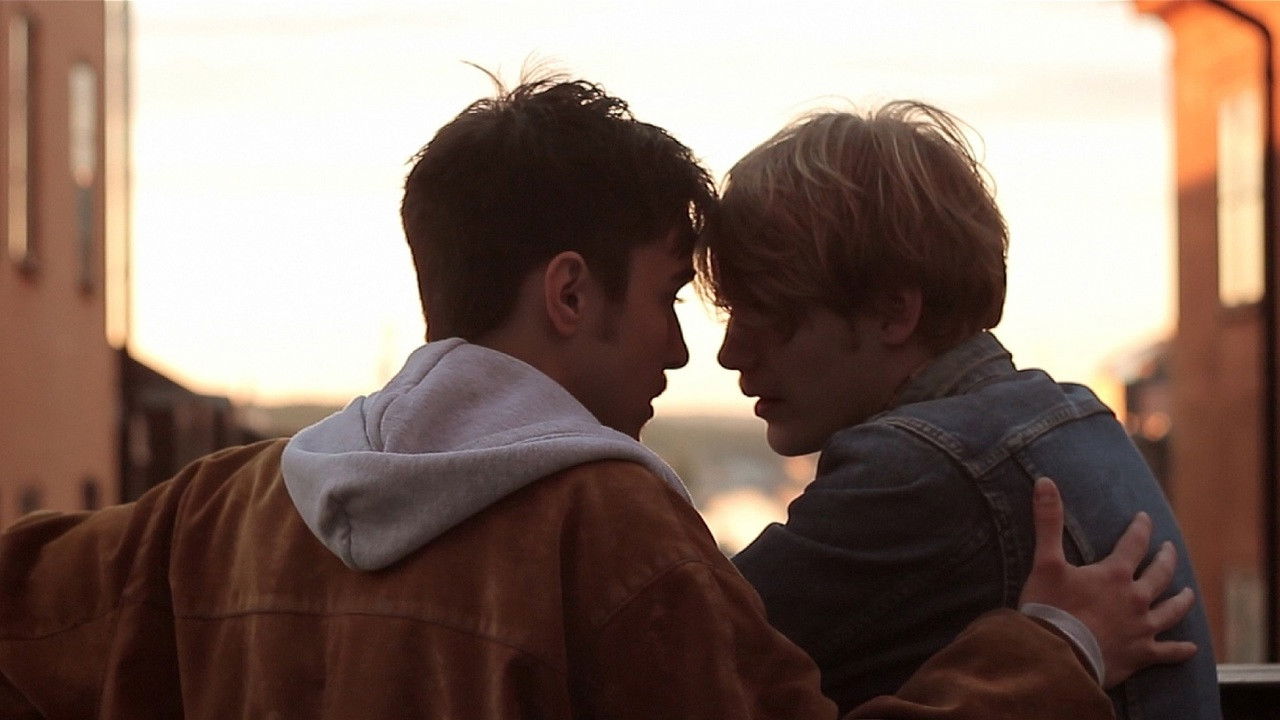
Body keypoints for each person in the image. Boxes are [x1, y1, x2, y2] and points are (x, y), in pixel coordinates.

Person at [0, 77, 1191, 719]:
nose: (682, 351)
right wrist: (1051, 652)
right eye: (669, 295)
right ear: (569, 293)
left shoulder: (220, 507)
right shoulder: (613, 537)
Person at [699, 101, 1220, 718]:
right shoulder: (1076, 418)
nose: (730, 353)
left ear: (894, 311)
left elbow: (684, 659)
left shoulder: (915, 469)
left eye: (767, 313)